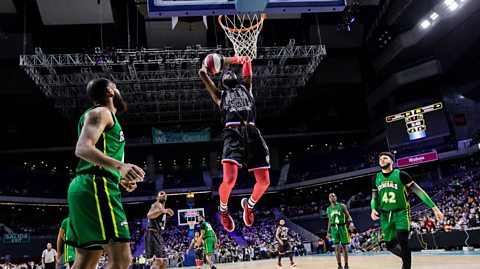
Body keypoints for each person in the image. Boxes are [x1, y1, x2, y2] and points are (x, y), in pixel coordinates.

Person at [66, 78, 145, 269]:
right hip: (95, 185)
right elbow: (83, 148)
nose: (120, 92)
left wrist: (121, 178)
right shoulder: (102, 112)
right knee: (121, 259)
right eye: (117, 89)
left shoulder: (104, 117)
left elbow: (98, 154)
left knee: (86, 260)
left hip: (87, 185)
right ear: (110, 92)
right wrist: (120, 167)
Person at [199, 55, 270, 232]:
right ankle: (223, 209)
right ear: (221, 80)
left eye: (232, 72)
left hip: (252, 132)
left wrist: (240, 59)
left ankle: (250, 205)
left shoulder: (246, 87)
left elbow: (247, 61)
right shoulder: (219, 95)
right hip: (233, 134)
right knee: (230, 179)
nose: (229, 72)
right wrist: (227, 60)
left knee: (264, 182)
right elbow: (202, 73)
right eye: (225, 73)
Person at [371, 152, 444, 269]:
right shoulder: (375, 178)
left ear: (392, 161)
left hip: (401, 213)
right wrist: (373, 209)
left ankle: (406, 265)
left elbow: (419, 191)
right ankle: (407, 258)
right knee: (390, 246)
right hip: (385, 215)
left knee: (403, 241)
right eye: (380, 159)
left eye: (385, 158)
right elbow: (374, 197)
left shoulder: (401, 175)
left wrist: (434, 208)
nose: (382, 160)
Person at [145, 191, 175, 269]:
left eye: (164, 194)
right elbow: (149, 215)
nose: (163, 194)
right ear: (157, 198)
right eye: (160, 194)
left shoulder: (162, 207)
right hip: (152, 233)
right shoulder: (155, 205)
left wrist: (166, 211)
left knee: (164, 261)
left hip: (158, 234)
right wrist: (163, 211)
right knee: (158, 261)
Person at [326, 193, 355, 269]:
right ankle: (339, 265)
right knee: (336, 248)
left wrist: (351, 222)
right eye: (330, 196)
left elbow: (348, 216)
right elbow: (329, 221)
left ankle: (346, 264)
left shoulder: (342, 206)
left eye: (333, 196)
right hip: (333, 229)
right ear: (329, 199)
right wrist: (328, 232)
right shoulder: (328, 209)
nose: (331, 197)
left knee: (344, 247)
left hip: (342, 227)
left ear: (336, 197)